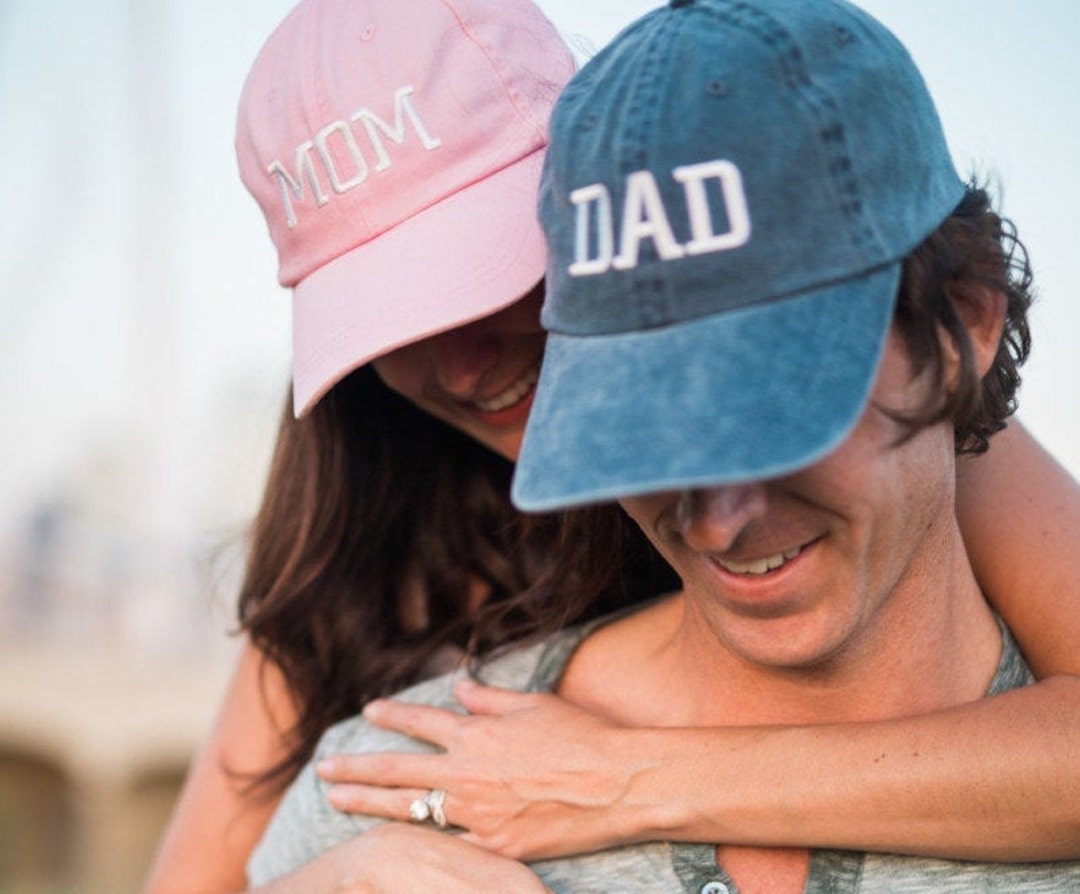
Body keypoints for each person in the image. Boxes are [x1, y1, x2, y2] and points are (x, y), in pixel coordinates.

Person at [143, 0, 1080, 891]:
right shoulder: (368, 553)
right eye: (393, 320)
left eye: (480, 278)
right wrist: (342, 880)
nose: (462, 368)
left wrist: (624, 779)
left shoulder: (914, 400)